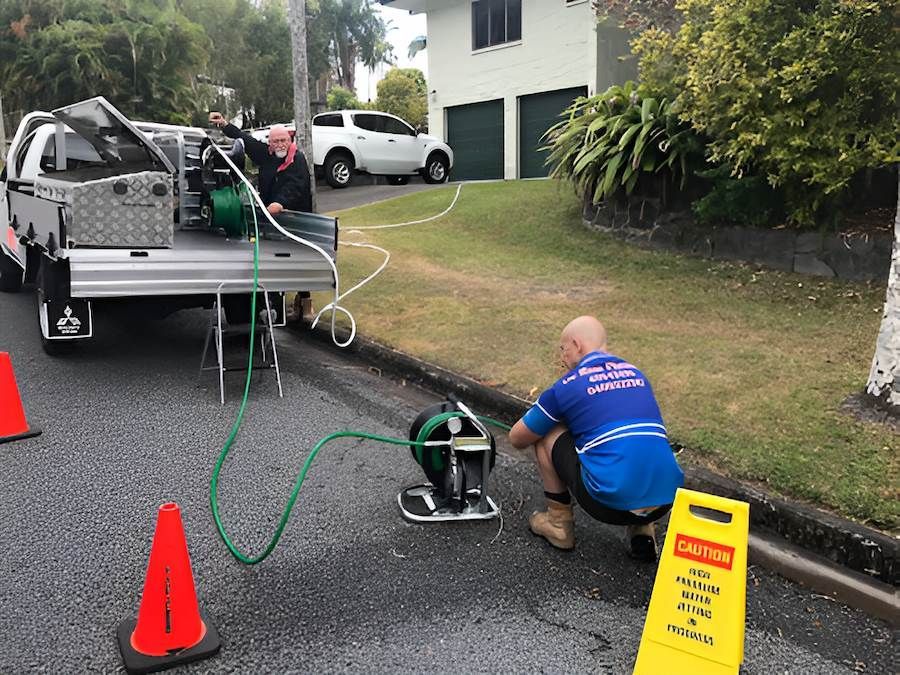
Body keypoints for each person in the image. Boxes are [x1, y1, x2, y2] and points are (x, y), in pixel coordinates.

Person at [508, 316, 684, 561]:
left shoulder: (567, 385)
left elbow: (517, 437)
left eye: (563, 349)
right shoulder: (637, 374)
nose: (562, 357)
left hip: (606, 504)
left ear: (577, 345)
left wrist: (559, 419)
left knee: (546, 434)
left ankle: (559, 525)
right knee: (635, 443)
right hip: (666, 500)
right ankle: (643, 528)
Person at [208, 112, 314, 319]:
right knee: (273, 261)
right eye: (276, 141)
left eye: (283, 140)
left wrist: (279, 203)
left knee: (300, 261)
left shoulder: (297, 159)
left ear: (290, 140)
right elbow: (246, 141)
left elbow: (295, 186)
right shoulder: (266, 155)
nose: (280, 144)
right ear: (270, 144)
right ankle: (273, 307)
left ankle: (305, 304)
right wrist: (225, 125)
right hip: (271, 218)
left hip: (294, 217)